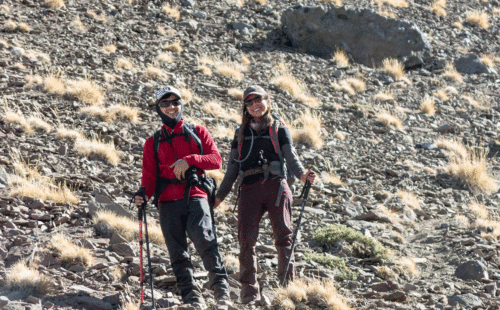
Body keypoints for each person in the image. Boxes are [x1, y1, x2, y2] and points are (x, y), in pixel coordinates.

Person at [214, 85, 316, 304]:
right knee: (246, 241)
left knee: (284, 238)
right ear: (245, 107)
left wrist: (302, 175)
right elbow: (232, 168)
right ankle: (249, 295)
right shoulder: (240, 132)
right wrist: (219, 196)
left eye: (257, 100)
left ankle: (287, 290)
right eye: (248, 103)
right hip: (248, 190)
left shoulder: (279, 127)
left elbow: (291, 157)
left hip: (276, 186)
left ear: (267, 100)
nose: (254, 105)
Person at [134, 85, 231, 307]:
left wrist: (190, 159)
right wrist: (143, 195)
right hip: (167, 201)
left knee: (206, 241)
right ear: (158, 108)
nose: (171, 107)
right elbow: (149, 178)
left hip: (195, 195)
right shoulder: (153, 142)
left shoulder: (197, 131)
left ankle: (222, 294)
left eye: (175, 102)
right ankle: (191, 297)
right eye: (165, 103)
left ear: (182, 104)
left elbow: (216, 160)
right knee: (177, 252)